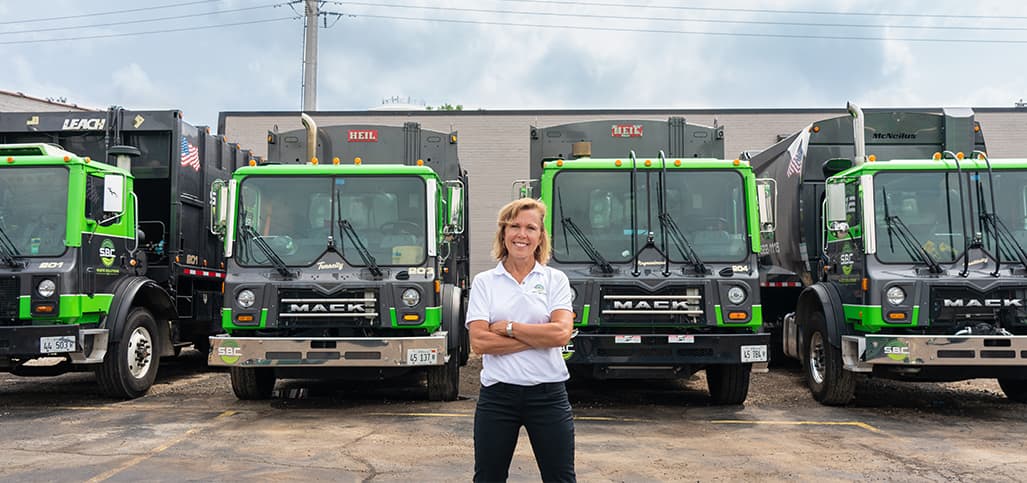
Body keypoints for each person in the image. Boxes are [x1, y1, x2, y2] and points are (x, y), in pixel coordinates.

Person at [465, 198, 576, 483]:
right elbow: (479, 342)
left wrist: (510, 328)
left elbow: (561, 334)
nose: (522, 234)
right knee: (488, 478)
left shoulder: (555, 280)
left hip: (548, 396)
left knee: (560, 478)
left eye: (530, 228)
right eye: (514, 226)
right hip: (498, 397)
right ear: (503, 233)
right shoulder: (485, 282)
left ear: (540, 237)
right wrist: (540, 336)